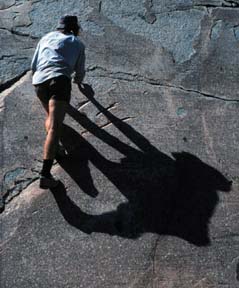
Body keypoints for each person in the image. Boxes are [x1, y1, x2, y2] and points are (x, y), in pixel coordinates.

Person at [31, 15, 85, 189]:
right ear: (73, 29)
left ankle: (57, 149)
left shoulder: (46, 37)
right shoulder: (76, 42)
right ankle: (45, 174)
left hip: (39, 81)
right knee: (55, 127)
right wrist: (79, 82)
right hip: (59, 81)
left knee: (50, 117)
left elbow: (34, 64)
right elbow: (79, 71)